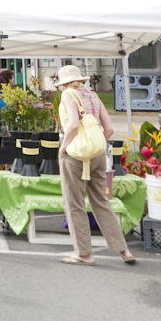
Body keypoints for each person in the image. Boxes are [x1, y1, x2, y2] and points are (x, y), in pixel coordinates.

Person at [54, 65, 135, 266]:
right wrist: (94, 144)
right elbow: (109, 128)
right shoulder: (92, 95)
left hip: (76, 154)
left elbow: (73, 124)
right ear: (82, 79)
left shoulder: (68, 95)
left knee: (74, 203)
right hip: (97, 153)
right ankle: (123, 250)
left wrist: (63, 148)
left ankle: (84, 253)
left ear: (63, 83)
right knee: (101, 201)